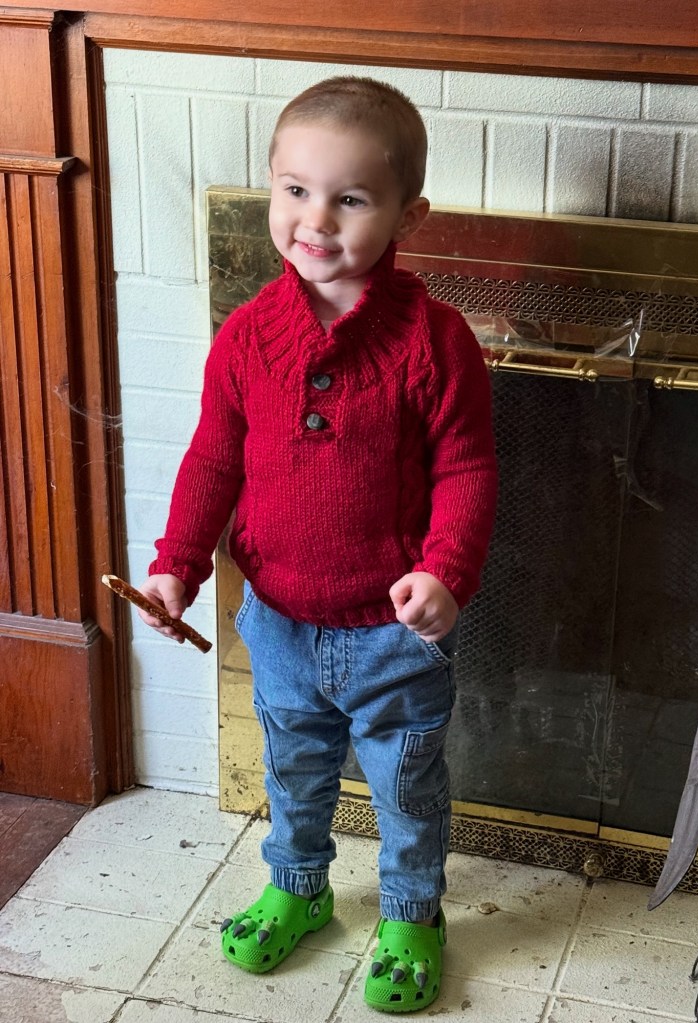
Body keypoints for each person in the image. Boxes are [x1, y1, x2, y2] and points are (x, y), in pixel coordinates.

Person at [136, 75, 497, 1013]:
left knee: (406, 787)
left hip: (393, 633)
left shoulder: (436, 341)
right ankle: (297, 887)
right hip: (280, 624)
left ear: (407, 214)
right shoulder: (247, 336)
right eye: (295, 190)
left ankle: (412, 913)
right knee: (292, 771)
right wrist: (177, 563)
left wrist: (446, 571)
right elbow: (214, 456)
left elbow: (466, 468)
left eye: (350, 198)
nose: (315, 220)